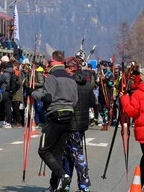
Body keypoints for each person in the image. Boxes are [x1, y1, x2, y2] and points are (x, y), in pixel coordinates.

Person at [34, 51, 78, 192]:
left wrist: (34, 93)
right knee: (58, 153)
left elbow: (48, 98)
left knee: (44, 150)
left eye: (49, 61)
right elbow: (75, 100)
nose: (47, 64)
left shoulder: (52, 77)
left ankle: (62, 175)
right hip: (69, 115)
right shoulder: (71, 78)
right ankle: (55, 185)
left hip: (55, 115)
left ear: (53, 62)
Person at [63, 57, 93, 192]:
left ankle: (84, 184)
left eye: (66, 67)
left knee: (75, 153)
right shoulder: (87, 83)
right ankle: (66, 182)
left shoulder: (68, 83)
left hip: (70, 122)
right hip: (82, 123)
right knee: (70, 153)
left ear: (71, 68)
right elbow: (93, 102)